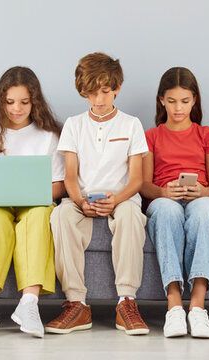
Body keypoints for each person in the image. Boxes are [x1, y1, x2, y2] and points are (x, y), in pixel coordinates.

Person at [46, 52, 150, 336]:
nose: (99, 100)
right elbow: (69, 175)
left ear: (117, 88)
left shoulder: (131, 124)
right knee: (61, 215)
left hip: (122, 198)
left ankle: (126, 302)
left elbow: (137, 178)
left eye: (105, 92)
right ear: (83, 93)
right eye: (91, 94)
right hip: (82, 200)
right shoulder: (74, 124)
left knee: (130, 214)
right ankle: (76, 304)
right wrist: (80, 200)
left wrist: (116, 199)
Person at [0, 67, 65, 338]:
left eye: (24, 102)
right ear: (0, 102)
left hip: (35, 205)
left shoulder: (49, 136)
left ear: (35, 102)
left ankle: (29, 304)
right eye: (9, 102)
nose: (16, 109)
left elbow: (59, 184)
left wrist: (30, 193)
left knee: (40, 217)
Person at [141, 67, 209, 338]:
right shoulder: (151, 136)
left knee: (203, 212)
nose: (178, 108)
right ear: (162, 100)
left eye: (185, 101)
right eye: (172, 101)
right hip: (165, 199)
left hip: (199, 198)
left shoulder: (206, 134)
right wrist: (164, 193)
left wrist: (202, 191)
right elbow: (143, 185)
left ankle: (197, 306)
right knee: (166, 211)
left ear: (194, 100)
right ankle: (174, 304)